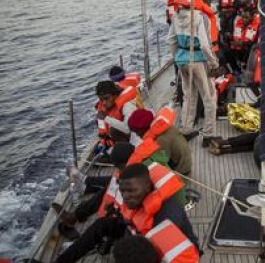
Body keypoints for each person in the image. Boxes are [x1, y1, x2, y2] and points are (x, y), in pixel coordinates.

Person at [55, 164, 199, 263]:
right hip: (140, 232)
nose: (125, 196)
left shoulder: (166, 217)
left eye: (131, 191)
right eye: (123, 191)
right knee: (103, 224)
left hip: (165, 250)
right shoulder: (141, 198)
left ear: (148, 187)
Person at [168, 0, 219, 134]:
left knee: (188, 97)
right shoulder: (200, 17)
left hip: (182, 60)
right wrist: (214, 63)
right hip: (198, 61)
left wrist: (178, 56)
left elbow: (170, 41)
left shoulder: (176, 17)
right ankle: (209, 134)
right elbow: (204, 45)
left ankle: (186, 129)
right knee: (209, 97)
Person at [128, 107, 193, 177]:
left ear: (144, 128)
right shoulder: (165, 127)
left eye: (137, 132)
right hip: (184, 160)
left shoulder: (160, 140)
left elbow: (161, 163)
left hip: (182, 170)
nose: (137, 135)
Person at [95, 81, 139, 149]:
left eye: (106, 98)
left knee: (114, 130)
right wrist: (103, 141)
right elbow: (102, 129)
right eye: (101, 99)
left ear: (115, 95)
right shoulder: (102, 108)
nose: (103, 103)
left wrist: (105, 118)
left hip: (136, 137)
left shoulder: (127, 105)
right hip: (115, 141)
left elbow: (128, 128)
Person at [226, 1, 260, 73]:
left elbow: (257, 42)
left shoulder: (259, 25)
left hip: (250, 49)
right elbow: (234, 36)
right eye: (243, 17)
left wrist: (243, 44)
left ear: (252, 16)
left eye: (246, 18)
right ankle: (235, 70)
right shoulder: (237, 21)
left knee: (252, 49)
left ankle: (247, 69)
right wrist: (230, 37)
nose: (244, 20)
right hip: (238, 48)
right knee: (226, 50)